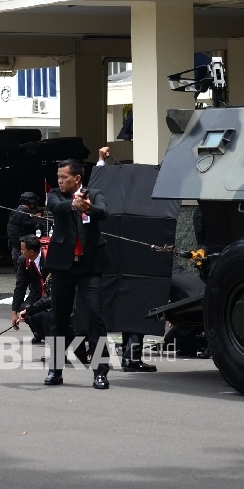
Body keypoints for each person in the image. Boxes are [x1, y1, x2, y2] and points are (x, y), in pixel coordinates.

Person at [44, 158, 112, 390]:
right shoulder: (55, 194)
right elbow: (55, 207)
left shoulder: (95, 193)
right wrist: (74, 204)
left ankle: (100, 372)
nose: (60, 181)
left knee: (95, 317)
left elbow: (103, 212)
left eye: (64, 177)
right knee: (59, 320)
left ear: (77, 178)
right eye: (59, 177)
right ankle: (55, 370)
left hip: (89, 267)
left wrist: (88, 207)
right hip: (63, 266)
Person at [94, 148, 156, 373]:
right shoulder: (148, 201)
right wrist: (101, 163)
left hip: (113, 260)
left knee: (104, 308)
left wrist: (102, 163)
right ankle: (130, 358)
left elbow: (98, 185)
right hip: (134, 261)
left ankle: (89, 352)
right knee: (134, 308)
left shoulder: (105, 198)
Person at [11, 235, 49, 343]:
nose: (21, 252)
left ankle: (51, 336)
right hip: (36, 293)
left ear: (31, 252)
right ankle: (39, 333)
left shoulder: (49, 258)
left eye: (23, 250)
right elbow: (20, 286)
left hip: (50, 293)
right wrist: (14, 313)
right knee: (25, 308)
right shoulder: (24, 260)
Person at [6, 192, 42, 270]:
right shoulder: (23, 214)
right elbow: (37, 224)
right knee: (23, 271)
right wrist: (39, 217)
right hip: (21, 248)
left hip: (16, 246)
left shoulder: (16, 212)